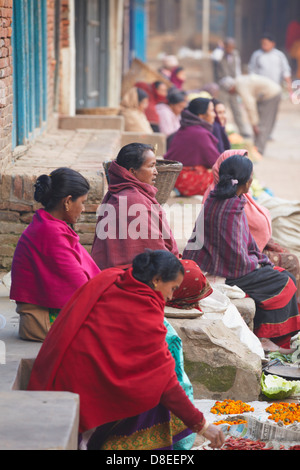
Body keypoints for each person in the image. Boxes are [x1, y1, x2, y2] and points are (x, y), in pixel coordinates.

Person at [27, 250, 225, 450]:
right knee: (157, 400)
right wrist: (202, 425)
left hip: (65, 376)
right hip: (86, 392)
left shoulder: (109, 278)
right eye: (172, 288)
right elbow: (165, 380)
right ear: (156, 280)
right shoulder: (144, 309)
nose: (171, 296)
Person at [183, 155, 300, 354]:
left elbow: (247, 244)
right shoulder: (227, 207)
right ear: (246, 182)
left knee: (283, 274)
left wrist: (261, 261)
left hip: (232, 265)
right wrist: (258, 263)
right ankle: (267, 339)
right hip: (224, 272)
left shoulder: (225, 200)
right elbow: (237, 261)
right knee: (285, 283)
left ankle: (275, 341)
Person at [10, 168, 100, 342]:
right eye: (82, 202)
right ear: (67, 202)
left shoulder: (49, 224)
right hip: (42, 319)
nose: (83, 209)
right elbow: (80, 288)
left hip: (46, 312)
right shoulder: (50, 232)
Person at [203, 149, 300, 301]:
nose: (252, 179)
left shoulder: (235, 199)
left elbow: (245, 240)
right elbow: (234, 255)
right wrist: (259, 263)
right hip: (232, 268)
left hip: (242, 260)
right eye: (249, 175)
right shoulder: (228, 205)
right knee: (286, 278)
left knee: (286, 271)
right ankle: (273, 322)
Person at [164, 97, 219, 197]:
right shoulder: (200, 134)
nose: (214, 115)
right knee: (226, 180)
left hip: (174, 178)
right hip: (184, 181)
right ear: (201, 115)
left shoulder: (187, 128)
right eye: (211, 111)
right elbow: (215, 161)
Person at [227, 74, 282, 155]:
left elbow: (250, 105)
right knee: (263, 124)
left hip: (270, 94)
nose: (230, 93)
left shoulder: (240, 86)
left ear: (231, 87)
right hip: (272, 92)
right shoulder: (240, 82)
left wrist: (254, 124)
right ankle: (257, 148)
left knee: (262, 125)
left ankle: (258, 151)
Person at [215, 37, 250, 138]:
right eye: (228, 47)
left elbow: (237, 71)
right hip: (223, 86)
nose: (230, 49)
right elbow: (220, 74)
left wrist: (235, 85)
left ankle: (243, 131)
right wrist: (229, 85)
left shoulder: (235, 55)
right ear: (224, 46)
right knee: (221, 109)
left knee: (237, 110)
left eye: (232, 47)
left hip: (234, 87)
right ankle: (219, 131)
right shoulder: (219, 55)